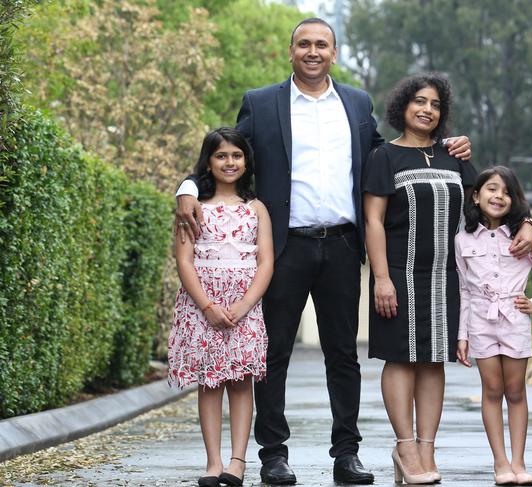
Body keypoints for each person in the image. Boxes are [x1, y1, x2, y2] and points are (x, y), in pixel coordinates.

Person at [175, 18, 472, 485]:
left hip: (340, 245)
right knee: (272, 355)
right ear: (290, 50)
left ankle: (346, 454)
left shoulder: (356, 102)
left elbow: (387, 153)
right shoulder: (261, 102)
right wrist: (188, 188)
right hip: (283, 247)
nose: (313, 51)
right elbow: (225, 151)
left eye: (322, 45)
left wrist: (444, 146)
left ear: (334, 53)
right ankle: (273, 454)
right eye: (304, 44)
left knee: (342, 355)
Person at [363, 74, 532, 485]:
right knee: (401, 357)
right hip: (400, 274)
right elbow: (372, 220)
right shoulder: (383, 157)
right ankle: (404, 447)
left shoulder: (454, 157)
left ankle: (427, 449)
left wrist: (526, 221)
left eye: (436, 104)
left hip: (448, 277)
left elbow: (494, 200)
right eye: (419, 101)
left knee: (432, 361)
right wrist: (381, 277)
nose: (427, 109)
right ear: (402, 107)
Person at [168, 127, 273, 487]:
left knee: (242, 381)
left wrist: (244, 305)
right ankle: (213, 462)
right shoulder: (193, 208)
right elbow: (184, 260)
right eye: (221, 156)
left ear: (246, 162)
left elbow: (266, 262)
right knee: (209, 383)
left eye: (236, 156)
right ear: (208, 163)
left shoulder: (256, 209)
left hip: (245, 304)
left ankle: (237, 462)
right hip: (203, 306)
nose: (230, 162)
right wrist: (208, 306)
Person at [455, 166, 532, 486]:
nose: (499, 196)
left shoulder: (523, 237)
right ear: (476, 196)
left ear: (514, 200)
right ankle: (500, 463)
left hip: (515, 318)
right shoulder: (462, 240)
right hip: (480, 320)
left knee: (516, 391)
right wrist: (462, 335)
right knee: (492, 390)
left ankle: (519, 462)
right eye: (491, 189)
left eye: (506, 192)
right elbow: (464, 289)